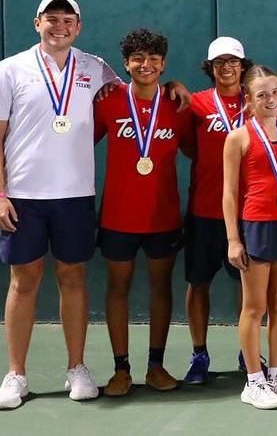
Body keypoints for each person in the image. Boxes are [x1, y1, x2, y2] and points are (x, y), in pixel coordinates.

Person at [0, 0, 122, 409]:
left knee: (73, 278)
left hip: (75, 196)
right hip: (23, 197)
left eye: (67, 20)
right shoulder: (10, 70)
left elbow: (132, 96)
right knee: (23, 281)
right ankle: (16, 375)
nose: (59, 26)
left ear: (78, 27)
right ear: (36, 22)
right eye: (51, 18)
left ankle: (76, 368)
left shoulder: (95, 68)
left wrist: (173, 88)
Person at [94, 28, 190, 396]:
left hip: (162, 217)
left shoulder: (178, 105)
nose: (145, 64)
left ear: (163, 64)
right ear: (126, 63)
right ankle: (121, 369)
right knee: (117, 288)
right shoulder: (107, 101)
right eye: (138, 58)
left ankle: (156, 366)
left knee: (160, 287)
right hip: (117, 217)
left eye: (153, 58)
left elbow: (197, 152)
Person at [222, 65, 277, 409]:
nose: (271, 99)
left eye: (275, 92)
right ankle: (254, 381)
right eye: (262, 95)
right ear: (249, 100)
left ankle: (276, 374)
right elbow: (229, 192)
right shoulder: (238, 137)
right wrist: (233, 239)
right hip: (256, 226)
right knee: (255, 306)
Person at [182, 37, 254, 383]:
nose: (227, 68)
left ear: (243, 65)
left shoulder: (258, 101)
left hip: (249, 213)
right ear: (209, 68)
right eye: (219, 62)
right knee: (198, 284)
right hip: (204, 212)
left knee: (248, 286)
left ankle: (248, 351)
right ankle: (199, 355)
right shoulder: (195, 104)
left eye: (233, 62)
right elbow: (186, 147)